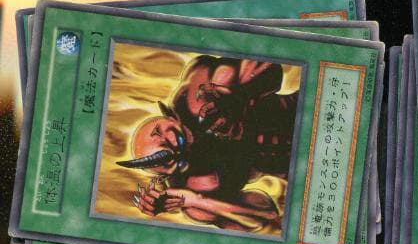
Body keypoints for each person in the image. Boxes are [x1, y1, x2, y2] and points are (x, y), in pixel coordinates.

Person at [116, 56, 300, 232]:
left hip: (300, 111)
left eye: (157, 132)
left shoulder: (194, 92)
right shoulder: (190, 191)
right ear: (165, 174)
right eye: (161, 159)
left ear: (168, 116)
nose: (166, 142)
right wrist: (196, 200)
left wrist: (240, 96)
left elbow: (268, 65)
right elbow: (266, 214)